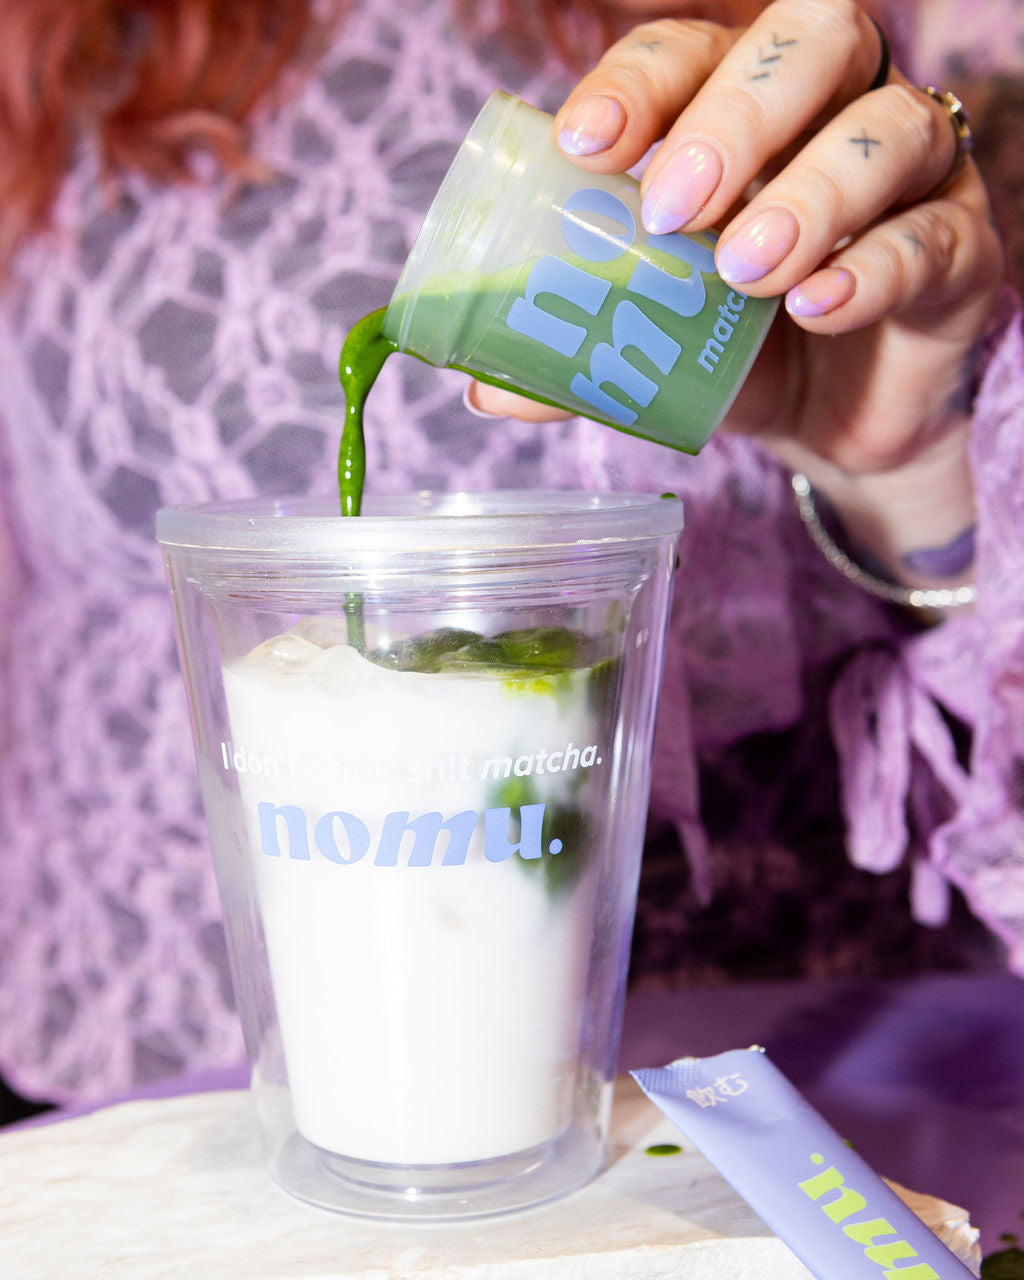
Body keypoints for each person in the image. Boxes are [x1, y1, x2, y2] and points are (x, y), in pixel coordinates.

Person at [0, 0, 1020, 1123]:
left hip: (781, 1083)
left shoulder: (856, 45)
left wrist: (917, 469)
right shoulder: (37, 59)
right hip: (165, 1085)